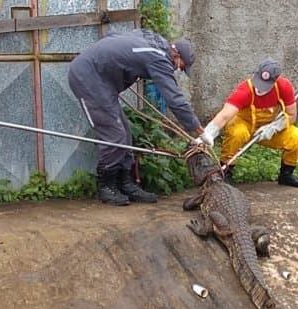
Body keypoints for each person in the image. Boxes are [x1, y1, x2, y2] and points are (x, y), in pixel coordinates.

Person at [68, 29, 212, 206]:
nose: (178, 70)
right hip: (88, 78)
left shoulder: (154, 40)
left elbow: (113, 35)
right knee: (114, 134)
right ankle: (106, 186)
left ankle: (126, 183)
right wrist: (199, 130)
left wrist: (112, 72)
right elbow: (175, 99)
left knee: (125, 133)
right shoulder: (159, 58)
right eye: (181, 66)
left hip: (102, 79)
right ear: (176, 55)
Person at [194, 57, 298, 188]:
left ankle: (286, 175)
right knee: (238, 133)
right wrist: (207, 134)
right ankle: (226, 172)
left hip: (267, 130)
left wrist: (274, 127)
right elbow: (224, 115)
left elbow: (292, 115)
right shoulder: (245, 90)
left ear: (275, 81)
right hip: (244, 124)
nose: (260, 89)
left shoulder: (284, 87)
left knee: (297, 137)